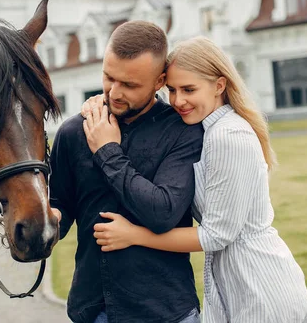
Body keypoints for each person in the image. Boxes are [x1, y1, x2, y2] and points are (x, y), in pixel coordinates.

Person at [84, 36, 307, 322]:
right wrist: (103, 103)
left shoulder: (229, 136)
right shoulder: (206, 130)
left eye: (189, 89)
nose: (178, 101)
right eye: (172, 90)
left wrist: (134, 235)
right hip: (235, 284)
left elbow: (216, 234)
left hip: (260, 285)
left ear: (219, 85)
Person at [49, 21, 204, 323]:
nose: (114, 92)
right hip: (93, 310)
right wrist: (47, 219)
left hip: (166, 311)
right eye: (109, 77)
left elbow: (163, 213)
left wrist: (107, 151)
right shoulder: (72, 132)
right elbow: (61, 206)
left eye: (130, 85)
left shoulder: (182, 131)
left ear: (159, 81)